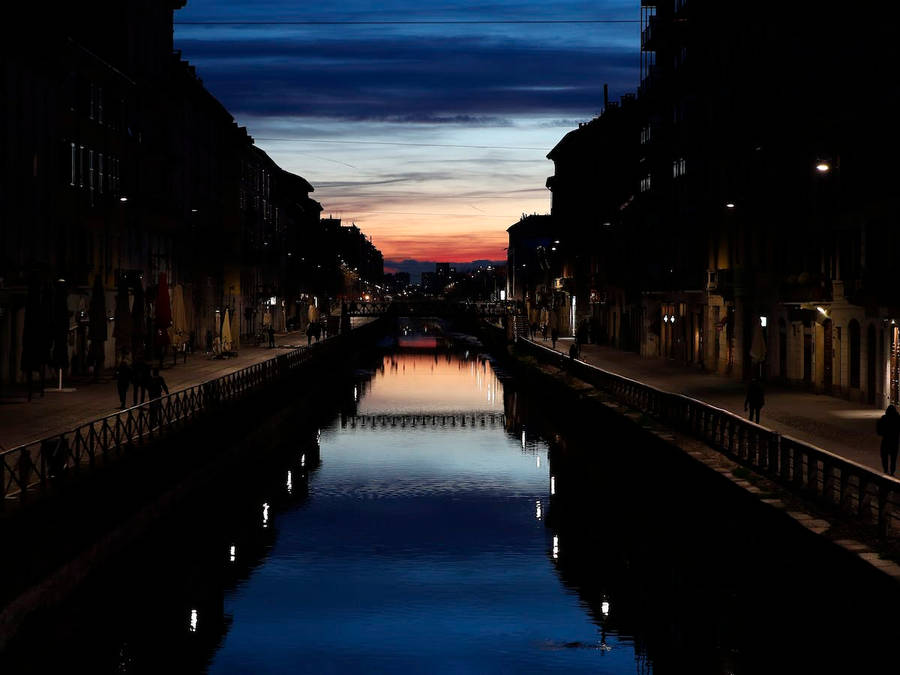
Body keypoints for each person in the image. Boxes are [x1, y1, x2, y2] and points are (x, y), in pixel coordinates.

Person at [877, 405, 900, 476]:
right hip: (895, 441)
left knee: (884, 456)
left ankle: (886, 470)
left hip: (886, 440)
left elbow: (879, 431)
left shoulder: (884, 418)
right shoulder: (898, 419)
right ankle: (892, 471)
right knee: (893, 458)